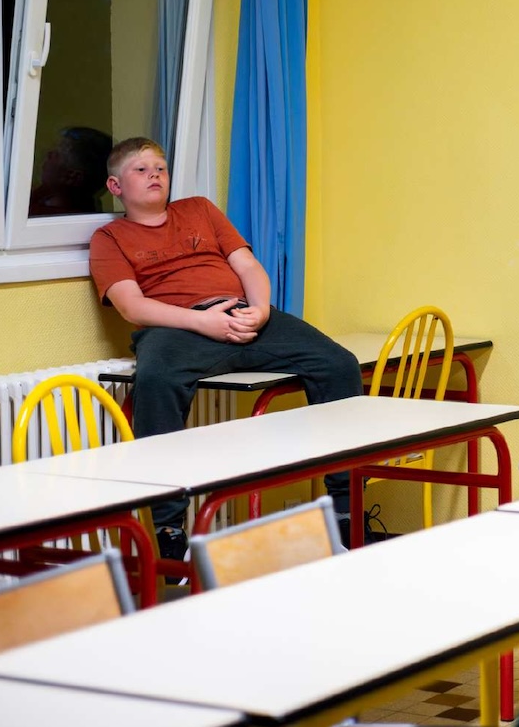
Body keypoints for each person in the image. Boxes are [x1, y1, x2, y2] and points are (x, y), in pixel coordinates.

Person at [88, 136, 364, 558]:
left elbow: (247, 264)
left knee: (338, 364)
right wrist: (203, 322)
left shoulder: (198, 209)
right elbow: (133, 307)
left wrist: (260, 310)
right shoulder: (109, 237)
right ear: (116, 186)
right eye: (141, 170)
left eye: (160, 168)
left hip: (242, 314)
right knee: (156, 380)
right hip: (178, 326)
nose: (154, 176)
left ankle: (346, 508)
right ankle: (168, 530)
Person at [29, 125, 113, 217]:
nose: (49, 154)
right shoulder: (45, 192)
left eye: (57, 154)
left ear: (72, 176)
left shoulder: (49, 217)